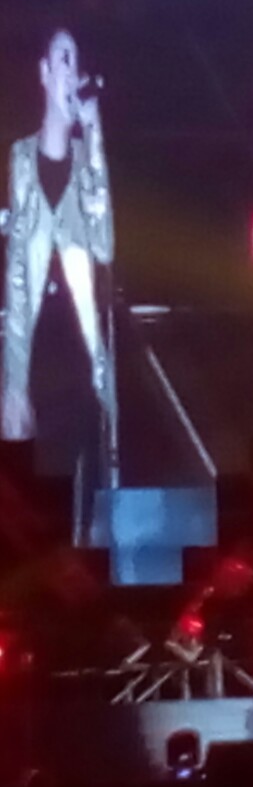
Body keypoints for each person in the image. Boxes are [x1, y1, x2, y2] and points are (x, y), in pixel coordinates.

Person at [2, 28, 115, 535]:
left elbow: (104, 246)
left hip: (80, 363)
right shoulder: (19, 159)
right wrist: (12, 384)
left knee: (80, 522)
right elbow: (16, 274)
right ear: (45, 73)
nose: (73, 69)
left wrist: (93, 138)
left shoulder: (87, 160)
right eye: (63, 58)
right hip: (32, 362)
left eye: (77, 60)